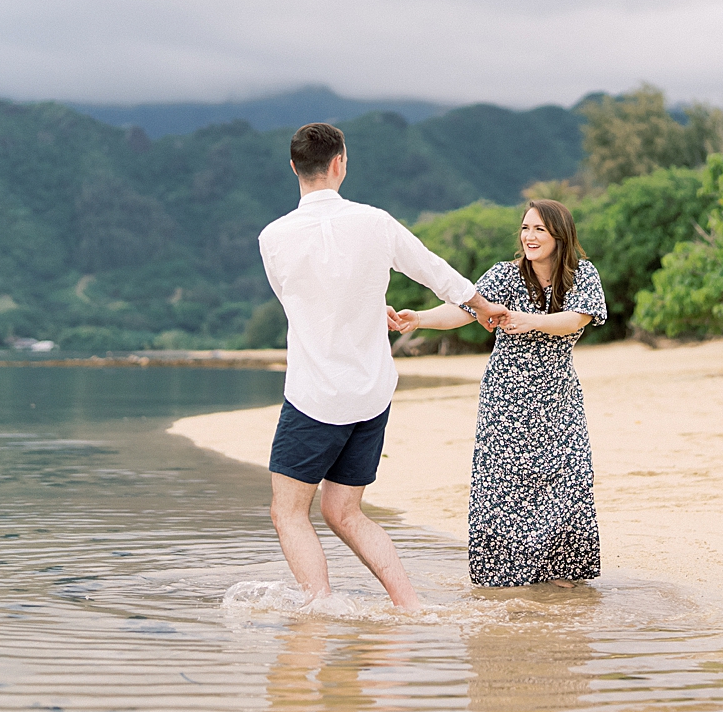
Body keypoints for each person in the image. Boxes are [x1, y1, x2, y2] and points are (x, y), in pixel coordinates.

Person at [258, 122, 509, 610]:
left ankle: (318, 610)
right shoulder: (376, 222)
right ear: (340, 163)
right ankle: (408, 603)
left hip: (315, 395)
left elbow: (301, 301)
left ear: (294, 167)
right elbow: (434, 270)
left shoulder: (273, 237)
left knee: (288, 512)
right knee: (345, 511)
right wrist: (483, 306)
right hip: (371, 393)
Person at [388, 199, 607, 588]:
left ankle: (562, 573)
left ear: (560, 234)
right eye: (525, 228)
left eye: (539, 229)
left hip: (558, 397)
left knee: (567, 478)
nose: (530, 236)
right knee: (503, 485)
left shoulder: (582, 276)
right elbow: (464, 310)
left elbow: (576, 318)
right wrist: (418, 319)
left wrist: (529, 320)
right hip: (506, 397)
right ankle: (504, 577)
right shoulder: (504, 276)